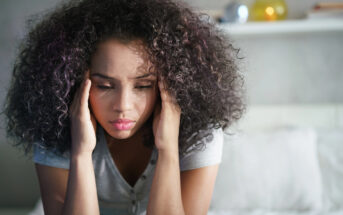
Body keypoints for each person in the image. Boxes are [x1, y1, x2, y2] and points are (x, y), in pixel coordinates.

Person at [3, 0, 245, 214]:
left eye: (142, 86)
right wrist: (80, 153)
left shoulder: (200, 133)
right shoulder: (52, 128)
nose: (122, 106)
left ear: (170, 85)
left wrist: (169, 149)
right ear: (73, 82)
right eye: (105, 86)